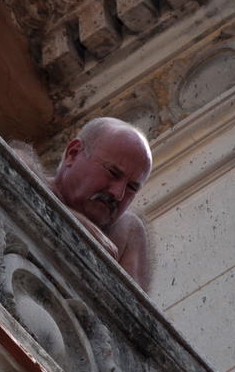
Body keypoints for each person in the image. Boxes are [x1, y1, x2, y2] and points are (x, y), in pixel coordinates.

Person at [12, 118, 153, 289]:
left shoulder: (127, 232)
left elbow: (133, 310)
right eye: (113, 172)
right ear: (73, 153)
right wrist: (76, 222)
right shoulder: (25, 168)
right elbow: (9, 166)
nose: (117, 193)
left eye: (131, 187)